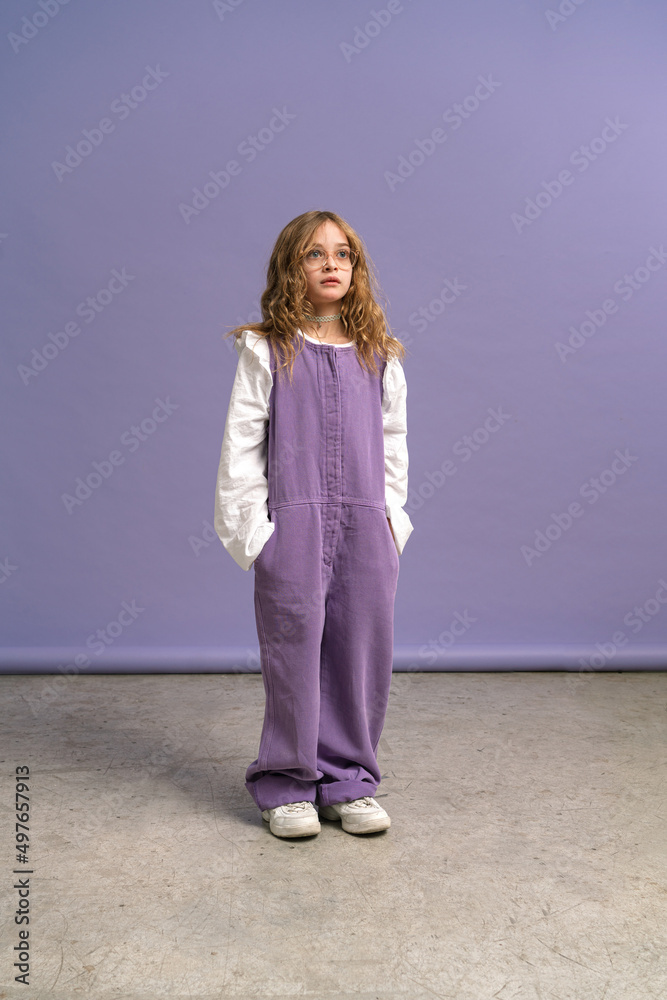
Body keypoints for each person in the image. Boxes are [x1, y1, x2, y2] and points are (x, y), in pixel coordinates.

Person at [214, 210, 414, 838]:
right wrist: (254, 532)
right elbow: (241, 445)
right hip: (293, 521)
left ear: (356, 269)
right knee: (294, 651)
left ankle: (349, 779)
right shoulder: (266, 349)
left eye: (343, 254)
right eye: (314, 254)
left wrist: (390, 522)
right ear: (289, 268)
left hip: (364, 521)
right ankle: (287, 783)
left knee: (361, 651)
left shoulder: (379, 354)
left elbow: (393, 442)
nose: (331, 265)